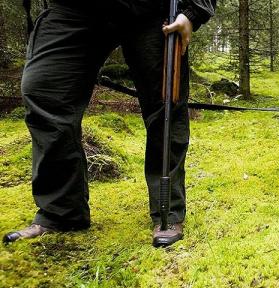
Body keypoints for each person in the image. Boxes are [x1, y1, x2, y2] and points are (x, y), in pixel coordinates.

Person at [3, 0, 216, 247]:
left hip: (151, 9)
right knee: (44, 90)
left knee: (165, 103)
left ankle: (167, 211)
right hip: (73, 8)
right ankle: (61, 211)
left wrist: (192, 12)